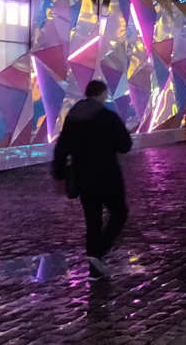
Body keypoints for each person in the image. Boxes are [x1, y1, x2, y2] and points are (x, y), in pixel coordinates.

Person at [52, 80, 133, 280]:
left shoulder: (72, 118)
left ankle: (94, 270)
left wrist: (60, 171)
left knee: (93, 221)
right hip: (108, 176)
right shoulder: (107, 117)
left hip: (83, 177)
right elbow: (125, 145)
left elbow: (62, 146)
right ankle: (97, 253)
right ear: (101, 95)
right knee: (119, 214)